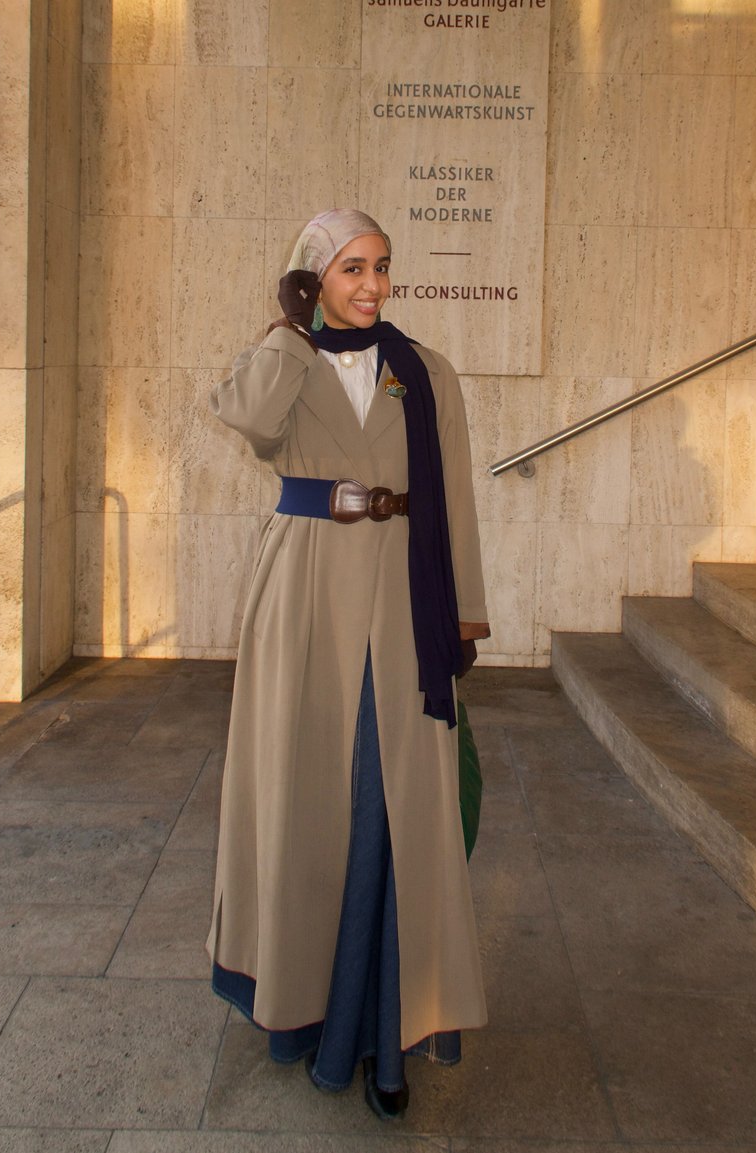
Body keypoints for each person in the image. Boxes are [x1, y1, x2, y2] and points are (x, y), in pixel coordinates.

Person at [206, 208, 490, 1121]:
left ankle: (386, 1038)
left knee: (390, 804)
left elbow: (455, 500)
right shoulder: (283, 360)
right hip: (305, 598)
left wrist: (463, 619)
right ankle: (303, 1010)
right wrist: (295, 330)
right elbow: (245, 418)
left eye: (382, 267)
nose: (372, 285)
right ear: (313, 277)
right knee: (307, 801)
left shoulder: (425, 371)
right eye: (350, 269)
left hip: (405, 603)